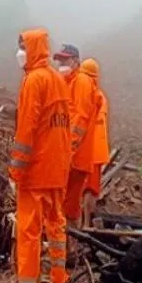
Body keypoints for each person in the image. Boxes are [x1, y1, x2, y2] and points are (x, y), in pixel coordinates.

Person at [7, 29, 71, 283]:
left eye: (23, 47)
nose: (20, 53)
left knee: (29, 236)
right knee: (56, 227)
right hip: (57, 170)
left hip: (35, 173)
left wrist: (15, 171)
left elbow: (27, 130)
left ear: (32, 48)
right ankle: (59, 280)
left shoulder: (34, 80)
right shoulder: (57, 79)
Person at [53, 44, 101, 233]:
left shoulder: (81, 82)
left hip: (75, 156)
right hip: (72, 155)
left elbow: (80, 118)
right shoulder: (69, 82)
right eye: (59, 60)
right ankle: (67, 241)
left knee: (67, 205)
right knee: (66, 204)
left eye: (65, 59)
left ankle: (67, 242)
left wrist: (68, 149)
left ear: (75, 61)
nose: (61, 63)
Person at [80, 58, 110, 227]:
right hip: (97, 151)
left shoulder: (91, 96)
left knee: (86, 189)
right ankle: (84, 225)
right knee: (89, 189)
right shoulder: (100, 96)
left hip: (88, 149)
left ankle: (84, 226)